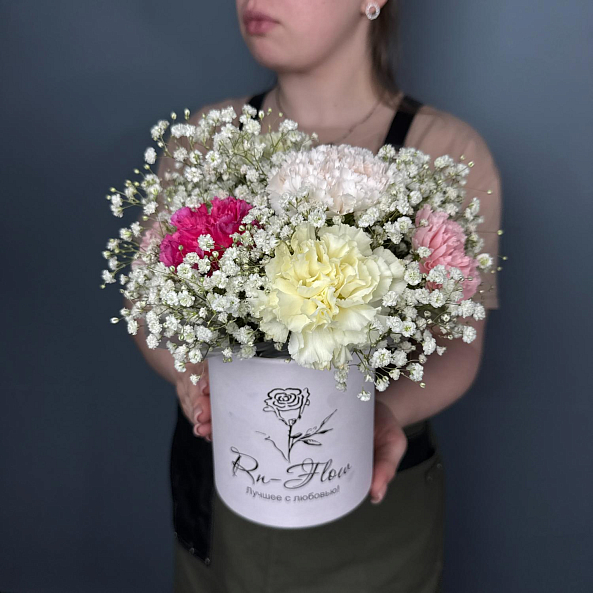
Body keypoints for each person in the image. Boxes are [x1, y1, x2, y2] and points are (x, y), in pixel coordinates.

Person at [127, 1, 502, 591]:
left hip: (374, 514)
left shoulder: (447, 149)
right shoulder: (209, 136)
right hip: (221, 494)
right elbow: (147, 307)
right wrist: (192, 379)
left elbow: (460, 348)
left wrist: (382, 413)